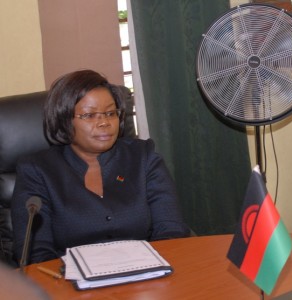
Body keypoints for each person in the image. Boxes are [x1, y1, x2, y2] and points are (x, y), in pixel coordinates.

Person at [11, 70, 190, 264]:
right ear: (64, 120)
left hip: (144, 276)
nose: (104, 122)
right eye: (89, 115)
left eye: (110, 113)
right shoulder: (37, 170)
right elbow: (36, 252)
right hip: (70, 285)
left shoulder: (143, 158)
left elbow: (171, 231)